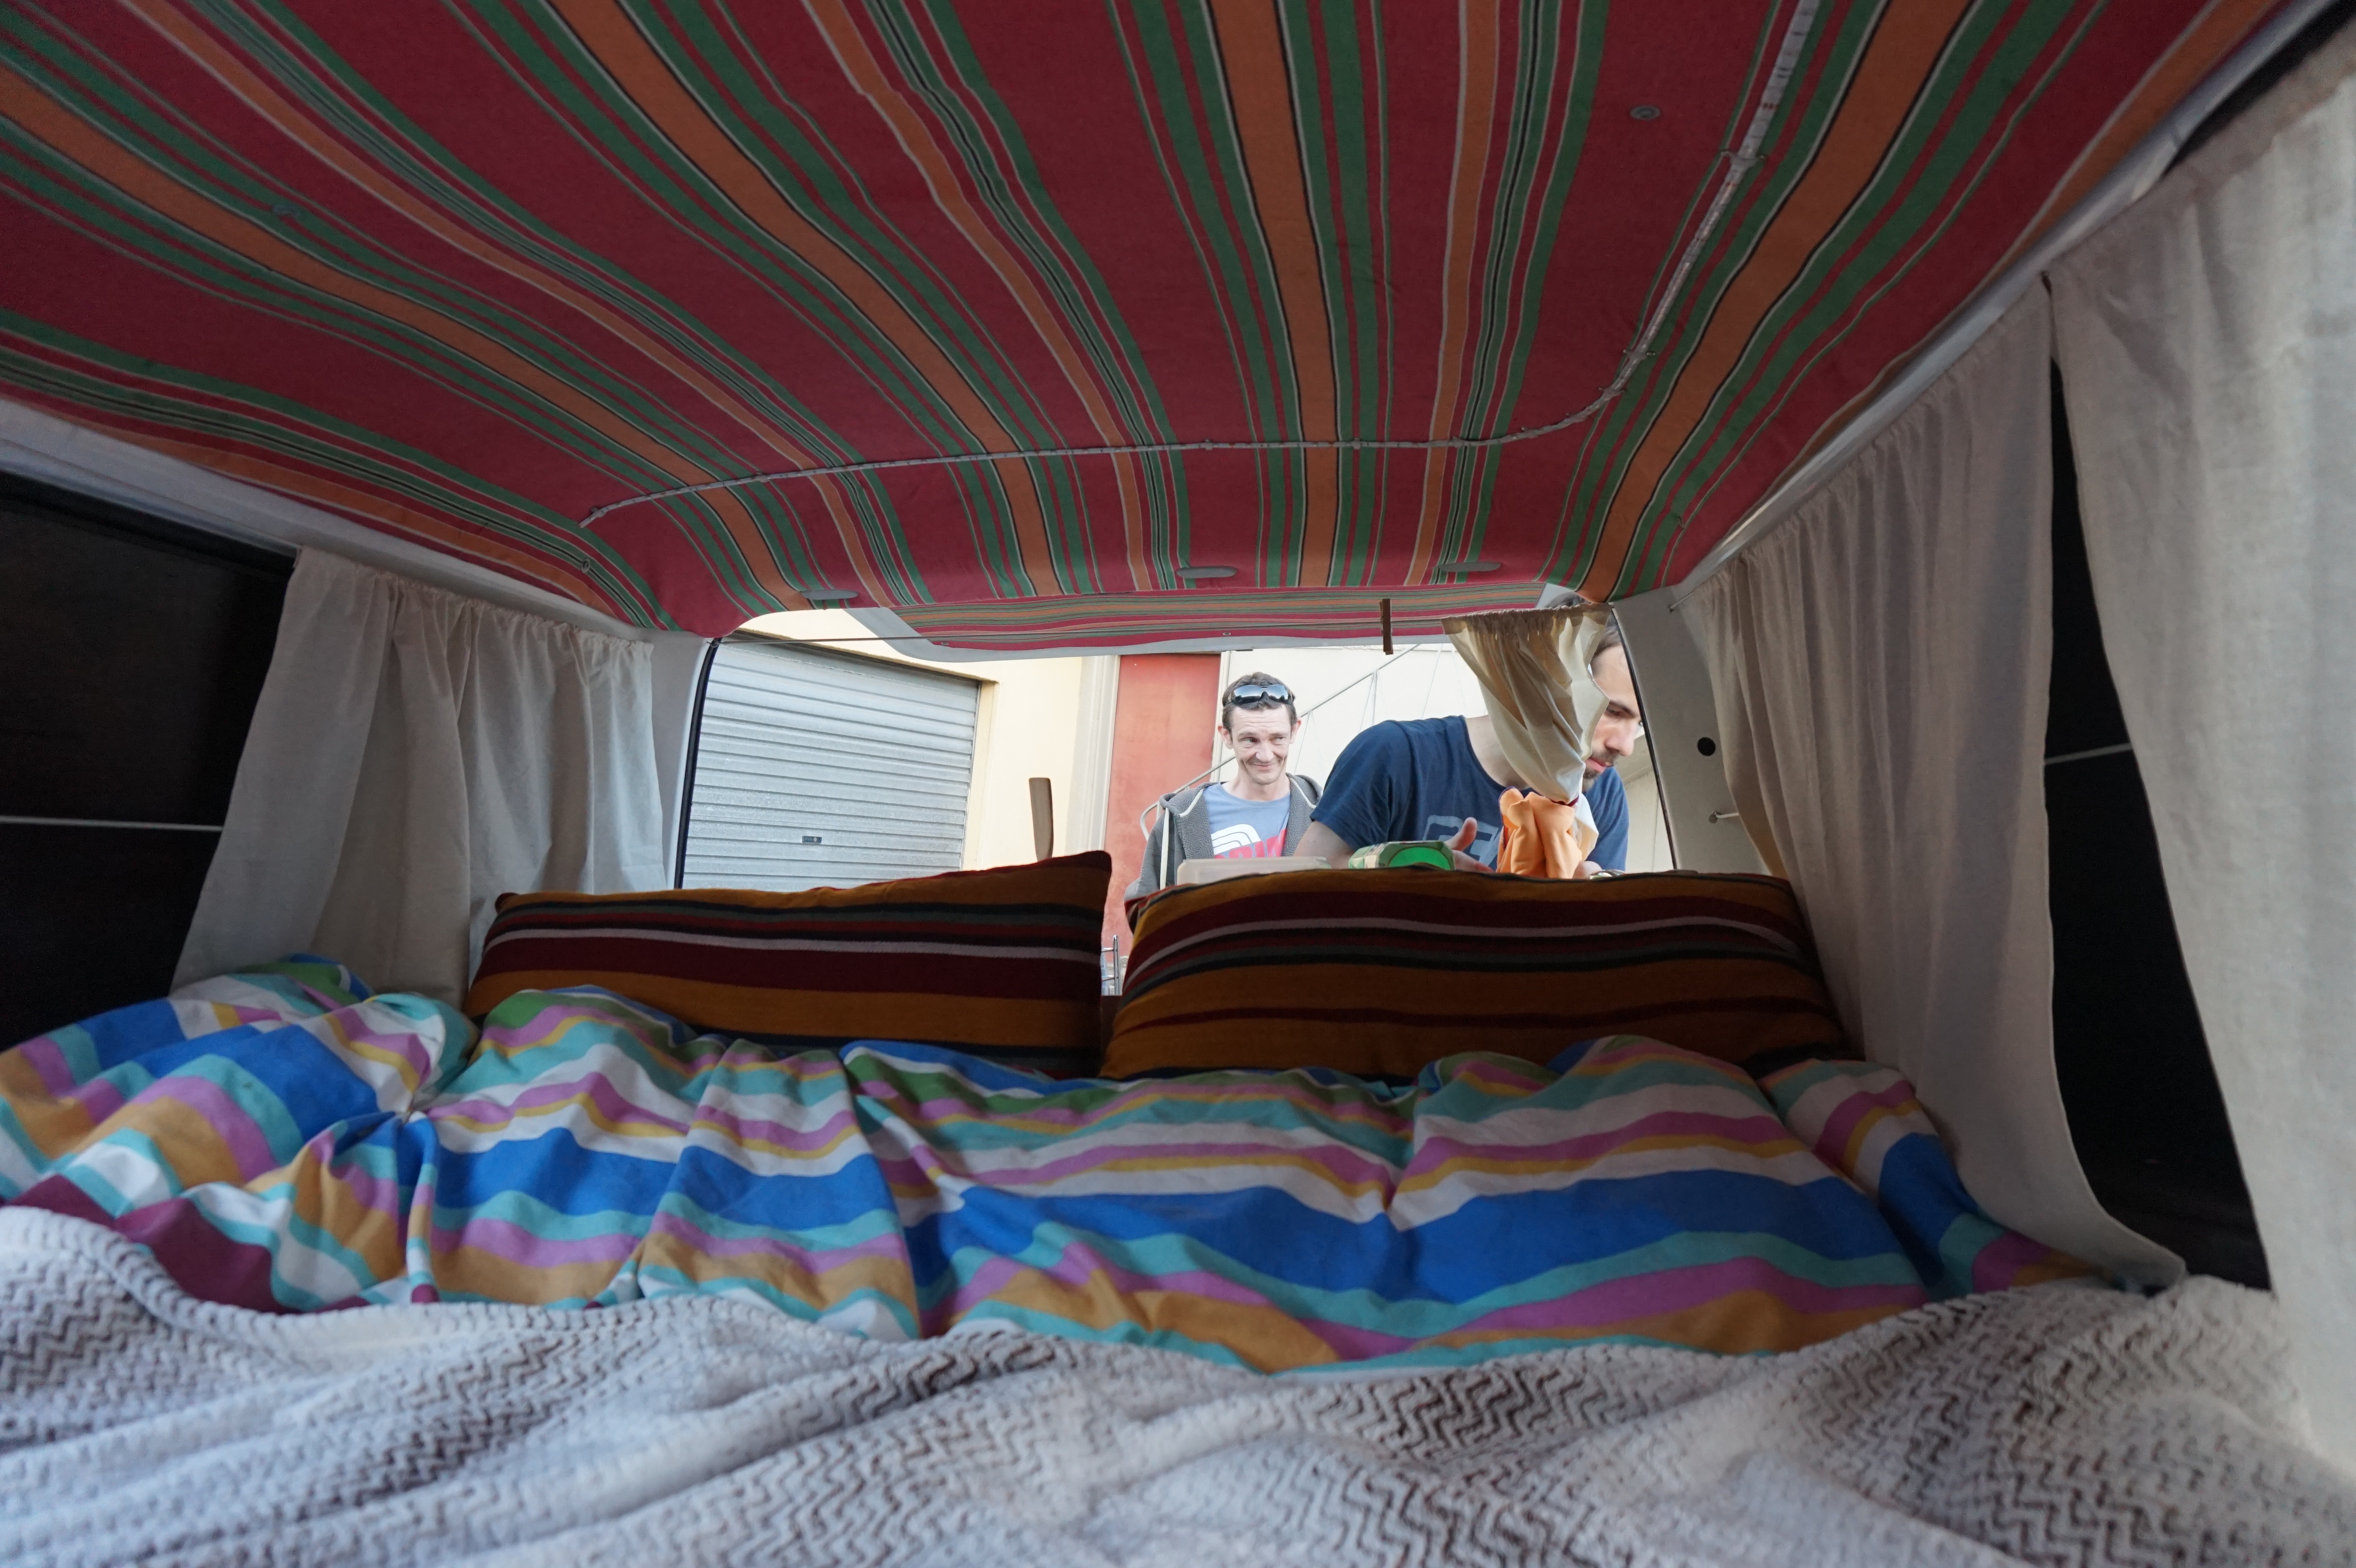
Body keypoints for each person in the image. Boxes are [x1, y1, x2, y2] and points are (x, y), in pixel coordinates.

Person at [1296, 627, 1644, 876]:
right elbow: (1304, 877)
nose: (1626, 746)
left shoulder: (1603, 790)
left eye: (1640, 723)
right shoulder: (1395, 754)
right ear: (1545, 686)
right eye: (1612, 712)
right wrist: (1400, 864)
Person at [1126, 672, 1322, 898]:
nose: (1266, 755)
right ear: (1227, 736)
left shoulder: (1323, 810)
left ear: (1294, 730)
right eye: (1250, 740)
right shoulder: (1184, 815)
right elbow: (1148, 902)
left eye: (1277, 738)